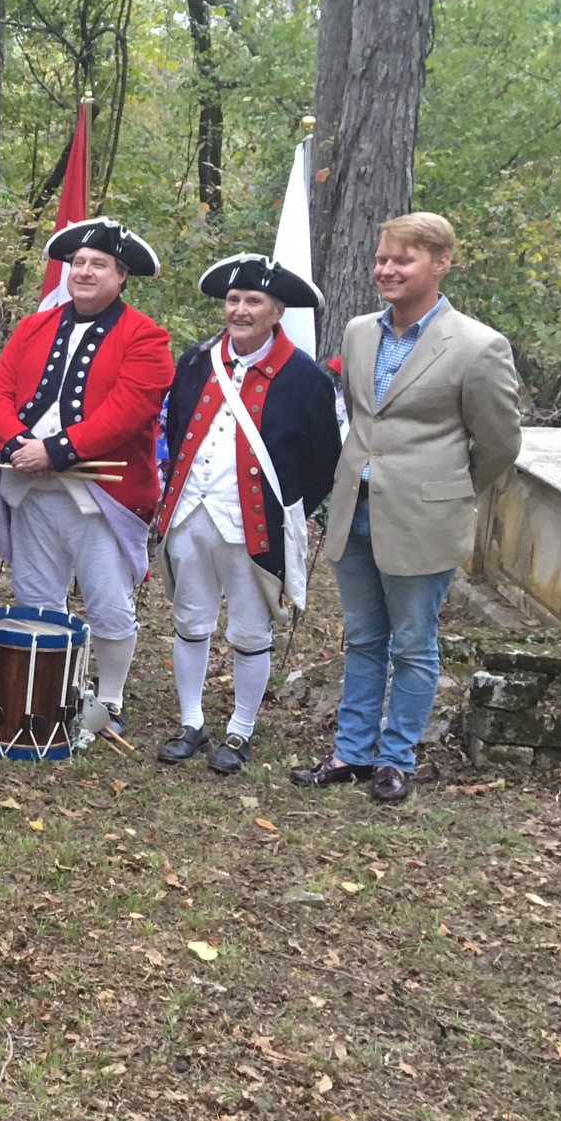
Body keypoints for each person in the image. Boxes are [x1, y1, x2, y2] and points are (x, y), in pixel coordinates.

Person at [294, 213, 522, 805]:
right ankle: (352, 752)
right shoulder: (359, 332)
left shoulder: (477, 346)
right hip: (354, 509)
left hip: (424, 517)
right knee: (363, 637)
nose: (386, 270)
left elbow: (499, 444)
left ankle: (397, 759)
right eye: (382, 259)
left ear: (440, 263)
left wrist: (447, 487)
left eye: (403, 259)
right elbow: (361, 417)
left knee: (413, 643)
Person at [0, 216, 173, 742]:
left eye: (99, 264)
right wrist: (19, 443)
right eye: (78, 263)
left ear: (122, 276)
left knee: (109, 600)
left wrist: (58, 450)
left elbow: (129, 411)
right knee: (35, 594)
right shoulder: (33, 327)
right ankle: (49, 689)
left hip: (100, 492)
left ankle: (109, 697)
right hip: (31, 485)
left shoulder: (147, 337)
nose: (85, 272)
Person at [155, 255, 340, 773]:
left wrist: (282, 509)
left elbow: (322, 460)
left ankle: (239, 730)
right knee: (190, 618)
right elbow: (176, 431)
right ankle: (191, 722)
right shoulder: (196, 361)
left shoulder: (305, 377)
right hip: (191, 510)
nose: (239, 310)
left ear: (276, 310)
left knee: (251, 629)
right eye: (233, 300)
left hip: (254, 522)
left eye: (253, 301)